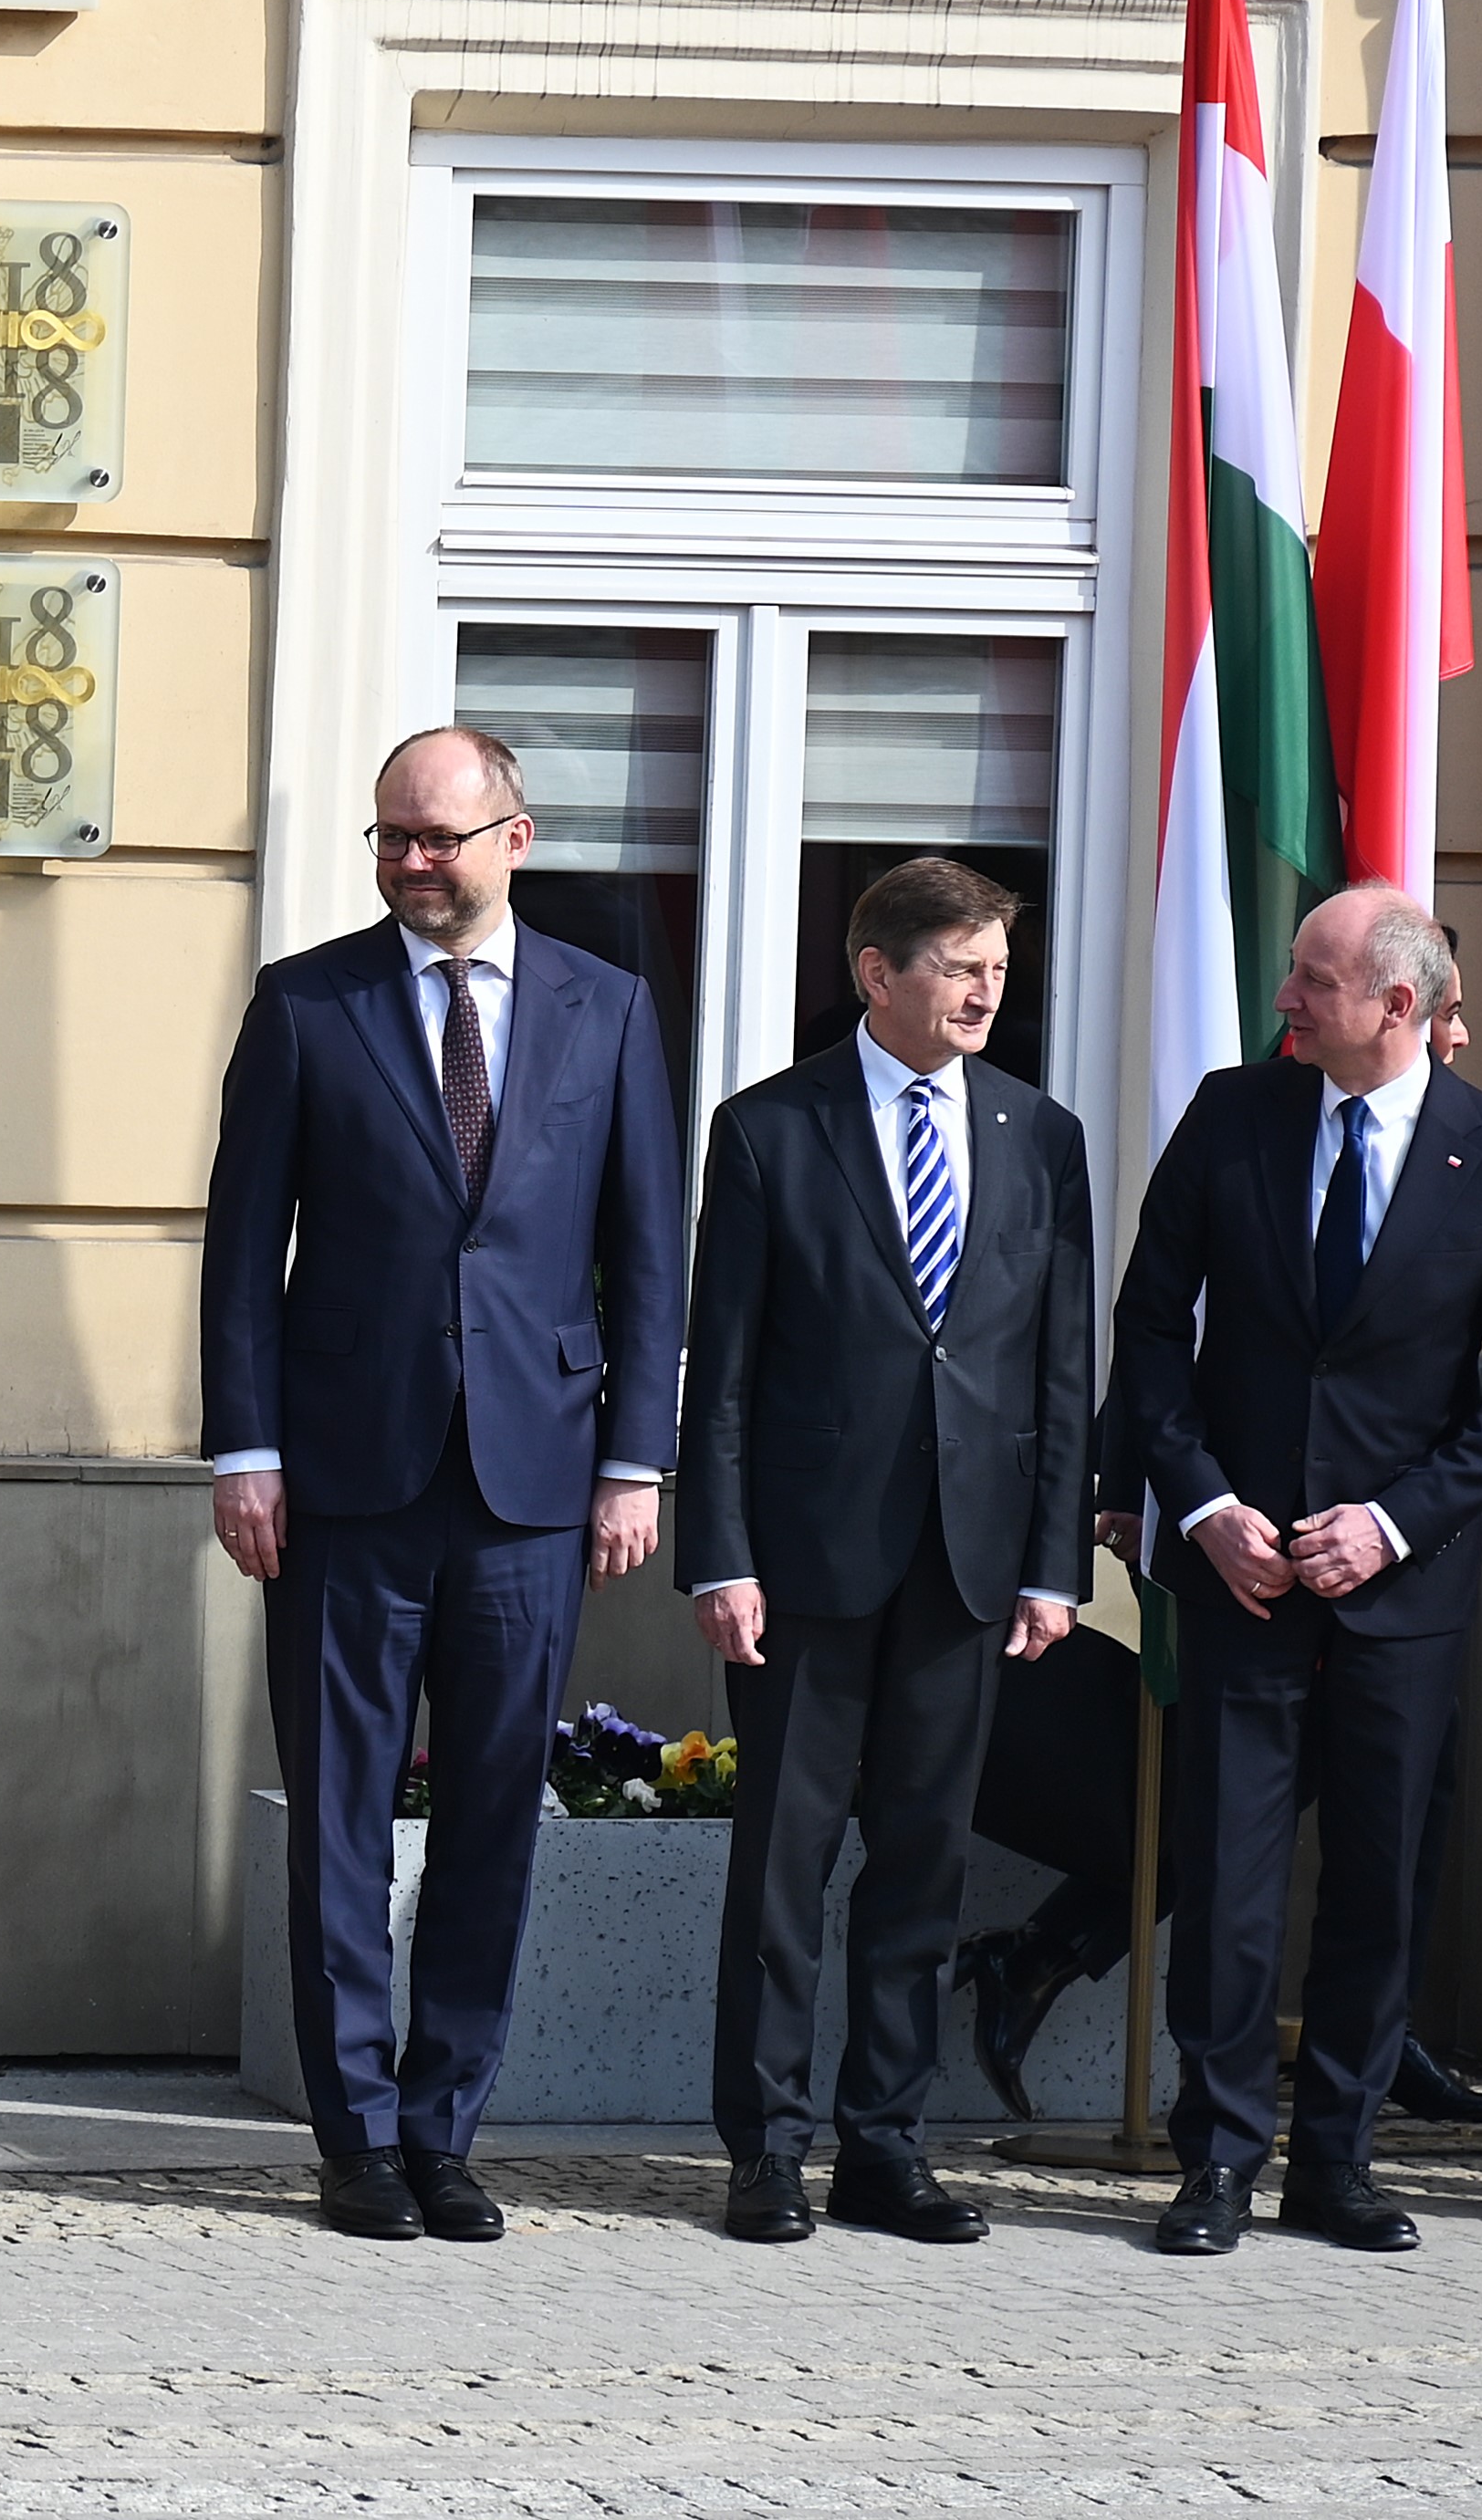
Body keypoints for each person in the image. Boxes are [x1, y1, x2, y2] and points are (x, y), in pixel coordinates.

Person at [200, 724, 683, 2244]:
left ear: (513, 839)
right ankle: (353, 2133)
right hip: (345, 1476)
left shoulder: (608, 1007)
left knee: (492, 1817)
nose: (411, 860)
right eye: (391, 837)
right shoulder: (307, 1003)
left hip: (533, 1479)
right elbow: (241, 1246)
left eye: (438, 837)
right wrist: (245, 1446)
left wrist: (636, 1456)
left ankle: (445, 2124)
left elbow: (649, 1247)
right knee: (341, 1814)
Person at [675, 858, 1091, 2245]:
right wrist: (718, 1556)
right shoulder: (767, 1130)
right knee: (783, 1868)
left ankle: (885, 2147)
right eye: (960, 967)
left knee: (924, 1864)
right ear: (876, 973)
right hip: (804, 1563)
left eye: (997, 971)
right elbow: (722, 1370)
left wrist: (1052, 1564)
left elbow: (1060, 1368)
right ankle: (765, 2147)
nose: (984, 993)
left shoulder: (1040, 1134)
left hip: (968, 1561)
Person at [1110, 882, 1482, 2260]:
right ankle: (1217, 2156)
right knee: (1226, 1877)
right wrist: (1204, 1505)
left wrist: (1390, 1523)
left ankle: (1336, 2161)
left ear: (1396, 1004)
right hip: (1240, 1575)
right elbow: (1148, 1329)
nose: (1284, 997)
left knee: (1379, 1882)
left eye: (1313, 980)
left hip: (1404, 1589)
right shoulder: (1233, 1116)